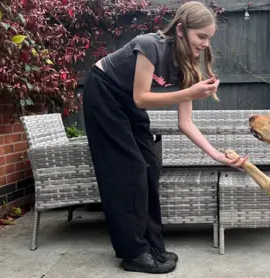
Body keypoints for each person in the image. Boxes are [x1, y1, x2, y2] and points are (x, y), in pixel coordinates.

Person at [81, 1, 247, 274]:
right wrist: (189, 93)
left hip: (129, 102)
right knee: (128, 171)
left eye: (209, 38)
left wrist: (216, 155)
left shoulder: (186, 64)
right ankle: (133, 253)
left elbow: (185, 123)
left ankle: (152, 246)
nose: (205, 43)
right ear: (181, 30)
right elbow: (141, 97)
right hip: (104, 91)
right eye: (201, 36)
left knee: (149, 166)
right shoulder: (150, 45)